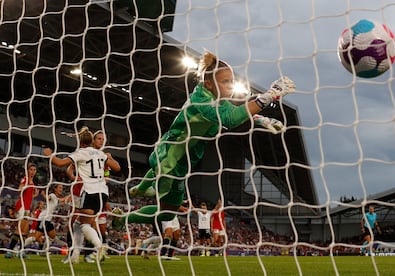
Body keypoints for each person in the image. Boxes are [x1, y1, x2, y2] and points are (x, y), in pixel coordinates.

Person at [115, 51, 295, 229]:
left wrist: (261, 119)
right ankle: (122, 219)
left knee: (165, 174)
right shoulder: (202, 103)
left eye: (232, 81)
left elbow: (230, 110)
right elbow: (230, 119)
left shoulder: (209, 96)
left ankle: (143, 187)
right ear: (209, 84)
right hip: (172, 164)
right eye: (226, 82)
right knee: (167, 213)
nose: (231, 86)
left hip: (169, 153)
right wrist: (269, 95)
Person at [43, 126, 121, 263]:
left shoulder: (80, 153)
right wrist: (110, 158)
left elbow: (60, 163)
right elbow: (117, 168)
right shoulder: (100, 154)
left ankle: (99, 246)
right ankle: (75, 255)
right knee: (78, 223)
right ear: (92, 141)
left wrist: (49, 154)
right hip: (103, 193)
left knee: (84, 225)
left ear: (80, 141)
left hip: (89, 192)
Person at [5, 163, 43, 258]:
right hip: (21, 207)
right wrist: (22, 187)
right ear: (27, 170)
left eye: (34, 170)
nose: (33, 171)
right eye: (31, 169)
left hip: (26, 208)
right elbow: (19, 190)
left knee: (25, 231)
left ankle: (20, 252)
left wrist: (35, 195)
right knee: (20, 230)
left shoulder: (32, 181)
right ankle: (10, 251)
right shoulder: (25, 179)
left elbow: (29, 196)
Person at [24, 184, 71, 254]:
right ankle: (20, 247)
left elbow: (62, 200)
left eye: (62, 188)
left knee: (52, 236)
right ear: (55, 189)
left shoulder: (55, 198)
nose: (61, 189)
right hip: (43, 219)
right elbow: (48, 198)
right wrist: (44, 195)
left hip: (48, 220)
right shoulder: (52, 195)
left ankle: (43, 251)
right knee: (36, 238)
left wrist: (71, 195)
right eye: (60, 188)